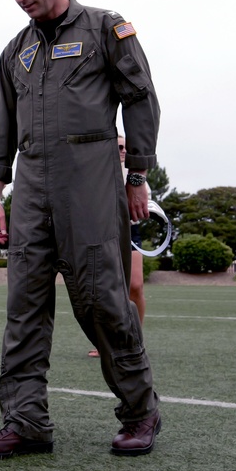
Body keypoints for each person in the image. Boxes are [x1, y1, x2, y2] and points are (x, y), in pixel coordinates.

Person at [0, 0, 162, 460]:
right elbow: (1, 128)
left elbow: (141, 101)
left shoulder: (106, 28)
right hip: (31, 188)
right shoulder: (16, 51)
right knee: (24, 305)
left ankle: (140, 411)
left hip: (91, 182)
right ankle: (25, 421)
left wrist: (137, 175)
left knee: (102, 300)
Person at [89, 136, 146, 357]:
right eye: (119, 147)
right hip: (102, 231)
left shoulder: (135, 175)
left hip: (130, 230)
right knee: (105, 289)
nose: (124, 151)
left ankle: (136, 339)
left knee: (136, 285)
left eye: (126, 148)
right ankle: (107, 342)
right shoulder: (97, 171)